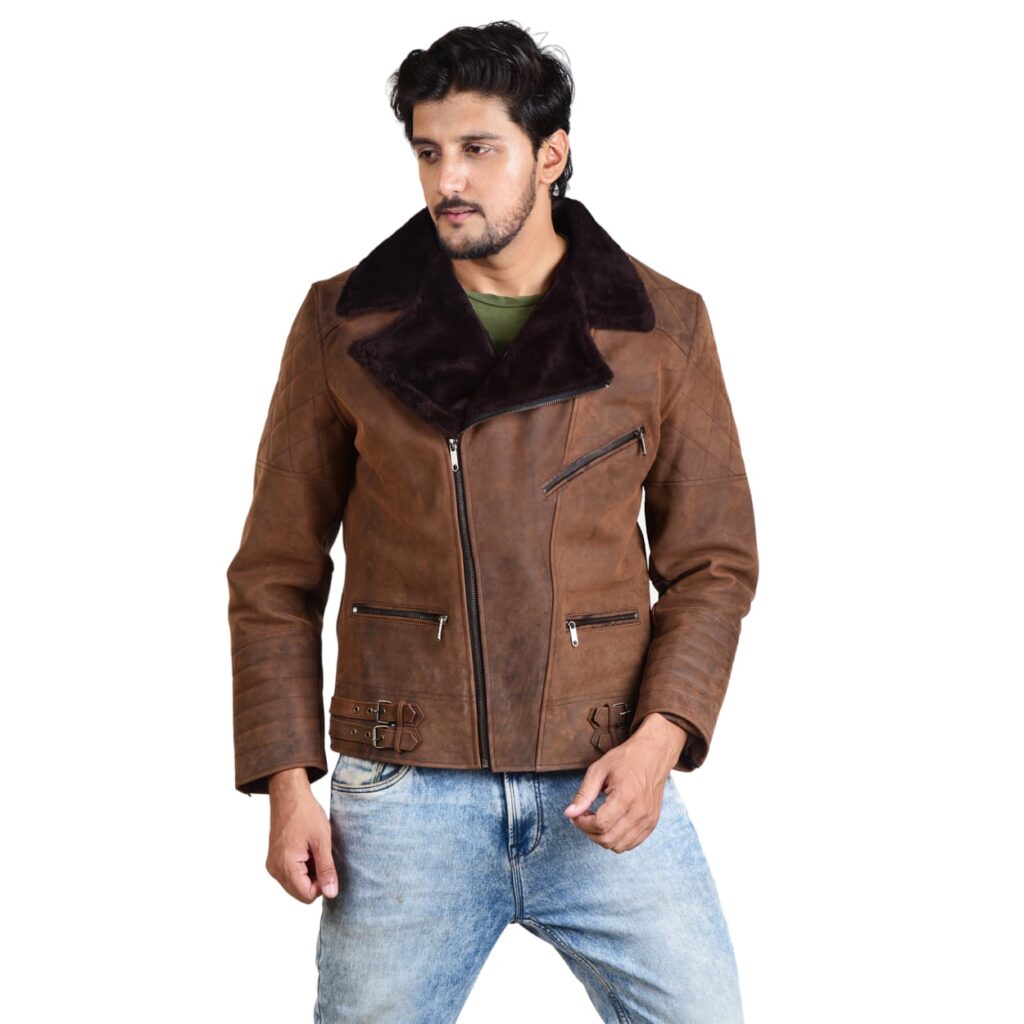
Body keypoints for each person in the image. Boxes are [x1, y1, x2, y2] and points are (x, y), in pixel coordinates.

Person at [226, 20, 759, 1024]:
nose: (448, 180)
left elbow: (713, 565)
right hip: (403, 791)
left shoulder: (661, 326)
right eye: (429, 151)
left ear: (551, 155)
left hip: (603, 775)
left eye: (478, 148)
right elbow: (274, 573)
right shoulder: (343, 322)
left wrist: (660, 741)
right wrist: (286, 779)